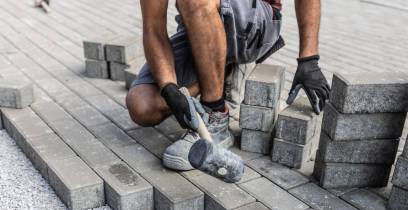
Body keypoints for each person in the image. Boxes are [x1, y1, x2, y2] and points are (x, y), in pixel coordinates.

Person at [126, 0, 330, 171]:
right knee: (143, 106)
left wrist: (308, 59)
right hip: (199, 23)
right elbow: (153, 29)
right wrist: (169, 87)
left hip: (256, 20)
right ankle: (224, 70)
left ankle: (216, 115)